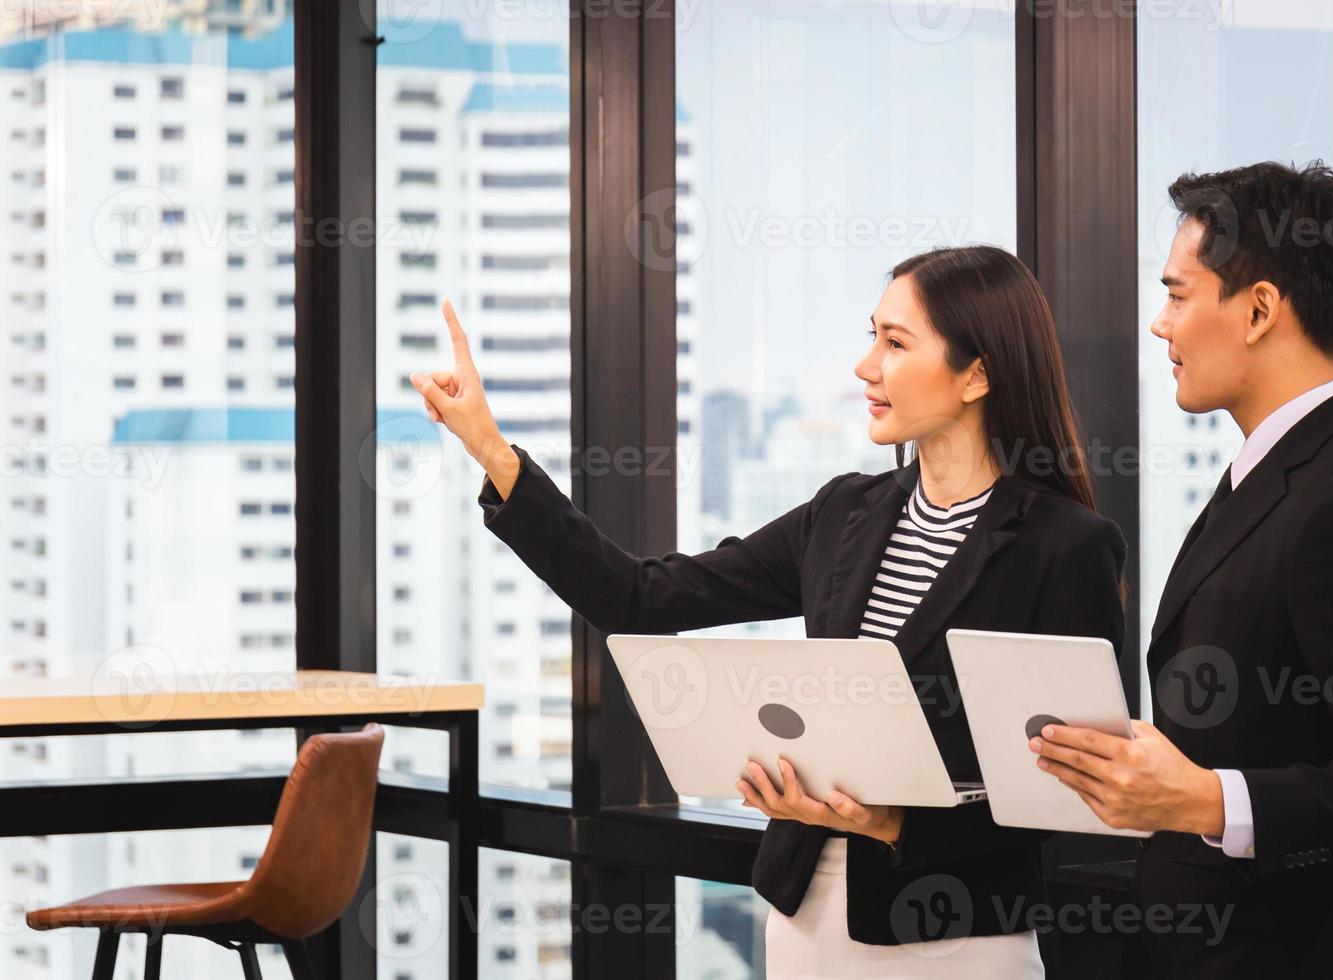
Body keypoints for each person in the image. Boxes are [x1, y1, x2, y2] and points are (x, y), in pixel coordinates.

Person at [412, 245, 1127, 977]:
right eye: (871, 335)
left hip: (957, 935)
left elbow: (1071, 797)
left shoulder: (1063, 547)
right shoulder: (842, 513)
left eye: (895, 343)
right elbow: (636, 596)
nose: (865, 366)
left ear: (977, 373)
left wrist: (892, 822)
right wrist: (491, 451)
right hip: (801, 919)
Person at [1029, 160, 1333, 978]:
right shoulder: (1273, 471)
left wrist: (1202, 799)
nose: (1160, 325)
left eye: (1178, 293)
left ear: (1261, 308)